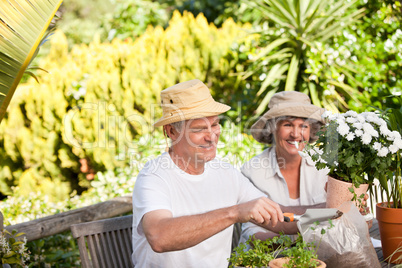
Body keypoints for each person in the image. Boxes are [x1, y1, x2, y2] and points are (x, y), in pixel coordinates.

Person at [131, 79, 285, 268]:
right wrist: (234, 213)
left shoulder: (226, 173)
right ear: (171, 131)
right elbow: (159, 237)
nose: (212, 136)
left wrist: (325, 211)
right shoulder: (154, 177)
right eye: (199, 129)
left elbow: (276, 215)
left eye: (214, 124)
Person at [239, 91, 328, 242]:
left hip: (321, 258)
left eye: (303, 126)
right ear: (272, 128)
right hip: (267, 260)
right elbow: (252, 232)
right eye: (288, 125)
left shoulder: (325, 165)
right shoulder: (251, 171)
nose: (296, 134)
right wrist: (294, 245)